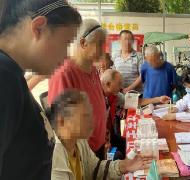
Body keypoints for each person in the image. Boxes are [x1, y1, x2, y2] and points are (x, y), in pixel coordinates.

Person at [0, 0, 81, 179]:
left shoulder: (12, 75)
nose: (66, 56)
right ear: (38, 28)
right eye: (66, 42)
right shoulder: (4, 77)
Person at [50, 90, 152, 180]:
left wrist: (124, 165)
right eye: (84, 116)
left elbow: (96, 169)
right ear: (62, 122)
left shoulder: (79, 141)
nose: (92, 121)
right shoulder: (53, 160)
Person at [48, 19, 108, 160]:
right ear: (83, 43)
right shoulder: (64, 73)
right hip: (81, 155)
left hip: (98, 147)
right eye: (99, 44)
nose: (103, 49)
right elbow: (62, 126)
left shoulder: (93, 70)